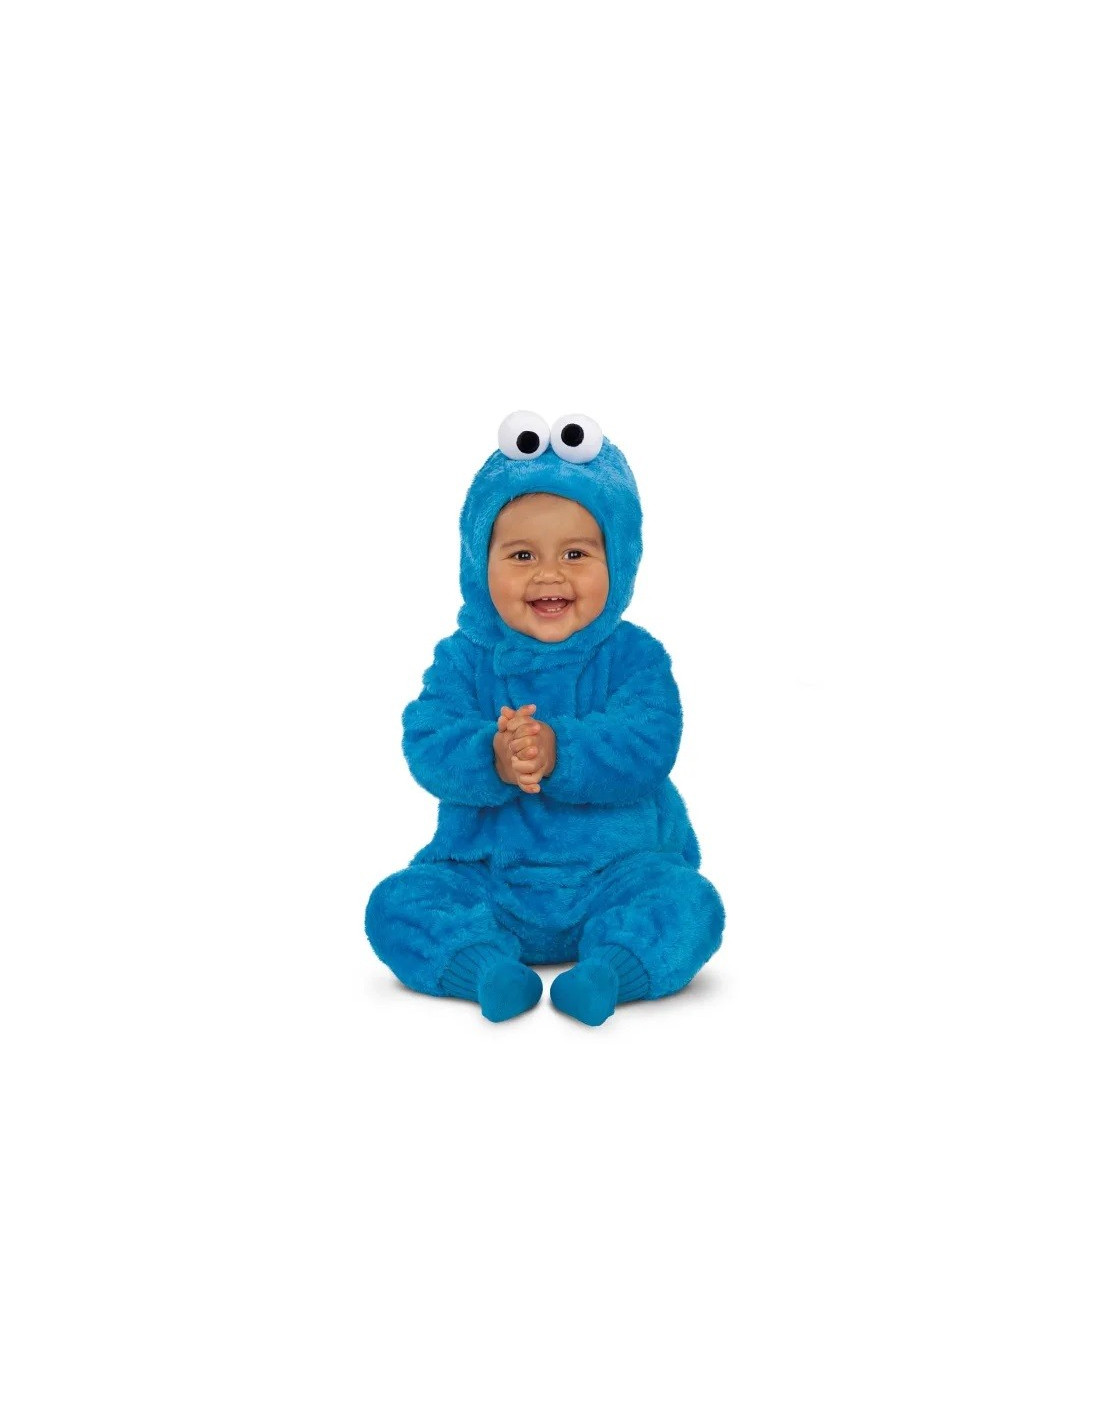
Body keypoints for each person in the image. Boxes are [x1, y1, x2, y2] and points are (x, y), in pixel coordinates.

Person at [365, 411, 725, 1025]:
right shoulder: (463, 658)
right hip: (488, 877)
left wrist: (561, 752)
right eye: (522, 554)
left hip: (617, 872)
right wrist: (491, 755)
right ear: (479, 563)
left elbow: (650, 740)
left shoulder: (634, 656)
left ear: (620, 560)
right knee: (396, 904)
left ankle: (609, 972)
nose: (549, 574)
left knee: (690, 903)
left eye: (576, 553)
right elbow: (426, 737)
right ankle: (486, 969)